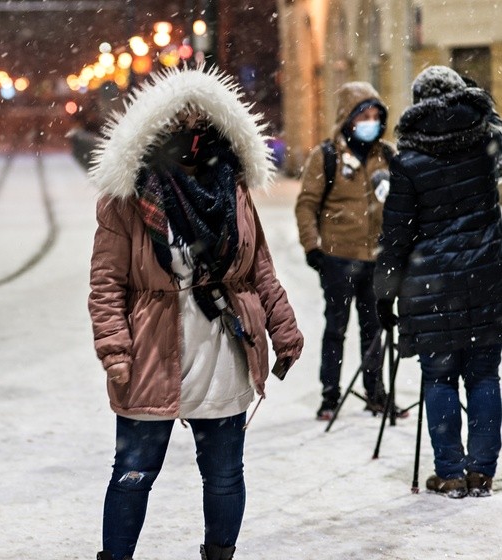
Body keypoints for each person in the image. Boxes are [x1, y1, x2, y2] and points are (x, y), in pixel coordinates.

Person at [87, 67, 304, 560]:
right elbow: (106, 284)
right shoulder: (128, 197)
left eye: (202, 121)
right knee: (133, 471)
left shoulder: (234, 188)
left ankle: (220, 554)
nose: (191, 131)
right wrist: (115, 350)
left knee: (225, 473)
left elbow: (260, 268)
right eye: (178, 121)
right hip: (152, 349)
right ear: (155, 129)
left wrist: (283, 328)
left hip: (225, 345)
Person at [374, 65, 502, 499]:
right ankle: (482, 471)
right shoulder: (485, 140)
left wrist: (384, 293)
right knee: (484, 375)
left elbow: (395, 236)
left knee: (439, 376)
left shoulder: (407, 161)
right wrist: (481, 107)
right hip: (487, 276)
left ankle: (449, 472)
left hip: (431, 287)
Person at [294, 81, 398, 420]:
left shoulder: (388, 156)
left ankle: (376, 392)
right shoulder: (327, 156)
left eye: (375, 116)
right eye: (362, 116)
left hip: (377, 259)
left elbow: (401, 205)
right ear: (347, 119)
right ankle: (330, 395)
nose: (370, 122)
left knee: (374, 329)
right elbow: (307, 205)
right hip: (338, 259)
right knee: (335, 328)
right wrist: (313, 247)